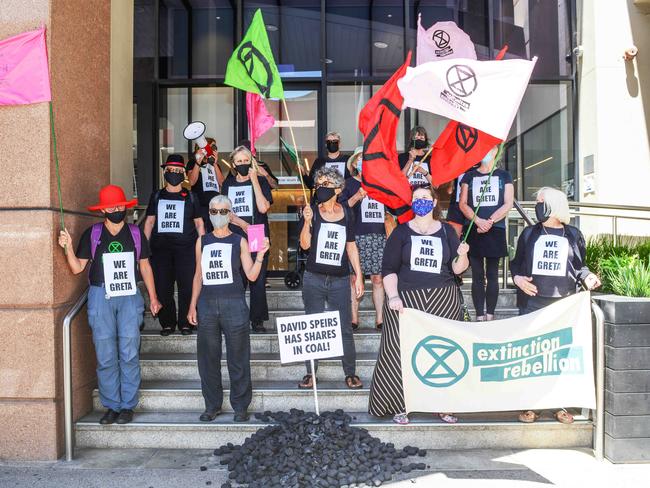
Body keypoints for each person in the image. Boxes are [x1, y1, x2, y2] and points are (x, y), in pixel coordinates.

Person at [58, 185, 162, 425]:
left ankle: (127, 406)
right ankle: (111, 405)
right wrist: (67, 247)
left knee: (128, 352)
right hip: (100, 296)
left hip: (129, 296)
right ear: (103, 210)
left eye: (119, 206)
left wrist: (154, 297)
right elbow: (77, 267)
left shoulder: (135, 234)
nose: (116, 209)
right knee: (105, 355)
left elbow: (145, 266)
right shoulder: (92, 234)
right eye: (111, 206)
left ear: (124, 208)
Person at [368, 185, 470, 425]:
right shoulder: (401, 233)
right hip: (406, 302)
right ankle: (399, 405)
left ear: (434, 203)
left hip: (443, 300)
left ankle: (444, 405)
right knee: (397, 353)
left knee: (444, 351)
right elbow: (389, 270)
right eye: (416, 198)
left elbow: (456, 268)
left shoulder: (447, 232)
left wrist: (463, 254)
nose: (420, 201)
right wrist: (392, 296)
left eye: (425, 198)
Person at [510, 187, 601, 425]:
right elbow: (516, 265)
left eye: (540, 201)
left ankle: (560, 405)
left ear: (554, 204)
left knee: (560, 358)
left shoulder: (573, 234)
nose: (536, 205)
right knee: (532, 356)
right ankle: (531, 406)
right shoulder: (530, 234)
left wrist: (588, 277)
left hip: (565, 305)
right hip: (533, 304)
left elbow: (579, 266)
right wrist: (518, 280)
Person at [187, 195, 270, 423]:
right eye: (214, 212)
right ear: (209, 214)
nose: (218, 216)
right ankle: (212, 405)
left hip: (235, 304)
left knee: (238, 357)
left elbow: (252, 275)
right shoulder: (202, 241)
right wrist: (192, 305)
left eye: (223, 212)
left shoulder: (239, 241)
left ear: (230, 214)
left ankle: (240, 406)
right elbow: (198, 276)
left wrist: (260, 255)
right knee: (208, 358)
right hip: (206, 305)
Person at [297, 167, 364, 390]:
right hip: (314, 278)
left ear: (337, 188)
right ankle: (310, 373)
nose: (320, 188)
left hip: (340, 279)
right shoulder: (311, 211)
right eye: (319, 183)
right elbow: (304, 245)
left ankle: (350, 372)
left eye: (325, 184)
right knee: (312, 325)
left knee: (344, 326)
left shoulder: (347, 212)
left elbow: (351, 246)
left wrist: (359, 275)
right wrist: (307, 222)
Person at [144, 154, 205, 336]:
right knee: (163, 287)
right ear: (165, 172)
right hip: (160, 250)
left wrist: (204, 246)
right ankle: (168, 323)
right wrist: (144, 248)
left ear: (184, 174)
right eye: (171, 170)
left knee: (187, 285)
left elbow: (199, 223)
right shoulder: (156, 196)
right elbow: (149, 222)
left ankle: (186, 322)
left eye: (179, 171)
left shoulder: (191, 197)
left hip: (186, 250)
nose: (175, 173)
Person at [221, 145, 273, 333]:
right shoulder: (228, 184)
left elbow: (263, 208)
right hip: (234, 234)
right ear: (233, 164)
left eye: (246, 160)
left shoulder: (260, 181)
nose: (243, 164)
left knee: (257, 279)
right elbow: (225, 211)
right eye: (239, 161)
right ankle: (236, 316)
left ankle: (257, 319)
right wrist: (243, 225)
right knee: (237, 278)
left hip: (257, 232)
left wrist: (254, 181)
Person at [459, 146, 514, 321]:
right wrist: (478, 221)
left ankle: (490, 314)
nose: (486, 151)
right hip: (474, 229)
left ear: (497, 151)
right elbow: (463, 203)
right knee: (476, 275)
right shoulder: (470, 175)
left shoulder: (504, 175)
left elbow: (508, 203)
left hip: (495, 229)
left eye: (492, 148)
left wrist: (490, 221)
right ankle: (480, 315)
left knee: (492, 274)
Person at [338, 147, 386, 330]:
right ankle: (353, 317)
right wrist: (357, 196)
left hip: (378, 236)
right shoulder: (349, 184)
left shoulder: (380, 183)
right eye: (360, 159)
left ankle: (380, 318)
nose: (363, 163)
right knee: (354, 278)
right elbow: (342, 209)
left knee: (377, 279)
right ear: (355, 164)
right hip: (355, 237)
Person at [186, 137, 226, 232]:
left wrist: (215, 164)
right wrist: (198, 163)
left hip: (214, 205)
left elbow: (222, 183)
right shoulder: (193, 162)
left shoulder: (216, 165)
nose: (214, 149)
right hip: (200, 204)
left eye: (215, 147)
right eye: (212, 147)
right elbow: (192, 181)